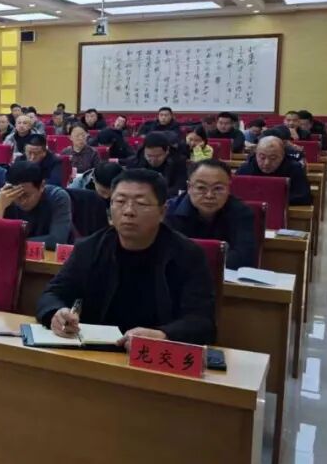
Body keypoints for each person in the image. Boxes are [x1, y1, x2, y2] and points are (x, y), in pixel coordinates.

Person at [36, 169, 216, 346]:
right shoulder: (90, 247)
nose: (128, 211)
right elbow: (53, 294)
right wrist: (56, 313)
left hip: (154, 355)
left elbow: (202, 321)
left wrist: (164, 335)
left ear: (162, 212)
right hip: (96, 352)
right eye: (120, 201)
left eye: (141, 204)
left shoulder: (188, 255)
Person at [165, 159, 258, 269]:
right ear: (189, 188)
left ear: (228, 188)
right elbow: (165, 256)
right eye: (201, 188)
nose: (209, 195)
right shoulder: (169, 211)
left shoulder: (241, 212)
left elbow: (245, 258)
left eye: (218, 188)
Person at [0, 162, 72, 249]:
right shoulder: (7, 197)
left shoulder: (57, 197)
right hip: (16, 253)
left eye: (26, 195)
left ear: (42, 186)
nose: (22, 201)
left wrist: (13, 242)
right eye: (17, 196)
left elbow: (57, 240)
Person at [236, 136, 312, 205]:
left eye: (273, 158)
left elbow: (304, 197)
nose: (267, 163)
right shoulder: (247, 167)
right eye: (262, 157)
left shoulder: (294, 168)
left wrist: (272, 200)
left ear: (282, 155)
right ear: (256, 154)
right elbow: (235, 193)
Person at [122, 132, 187, 198]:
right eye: (149, 156)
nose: (153, 160)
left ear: (167, 151)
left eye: (158, 156)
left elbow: (180, 187)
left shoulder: (179, 162)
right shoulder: (135, 162)